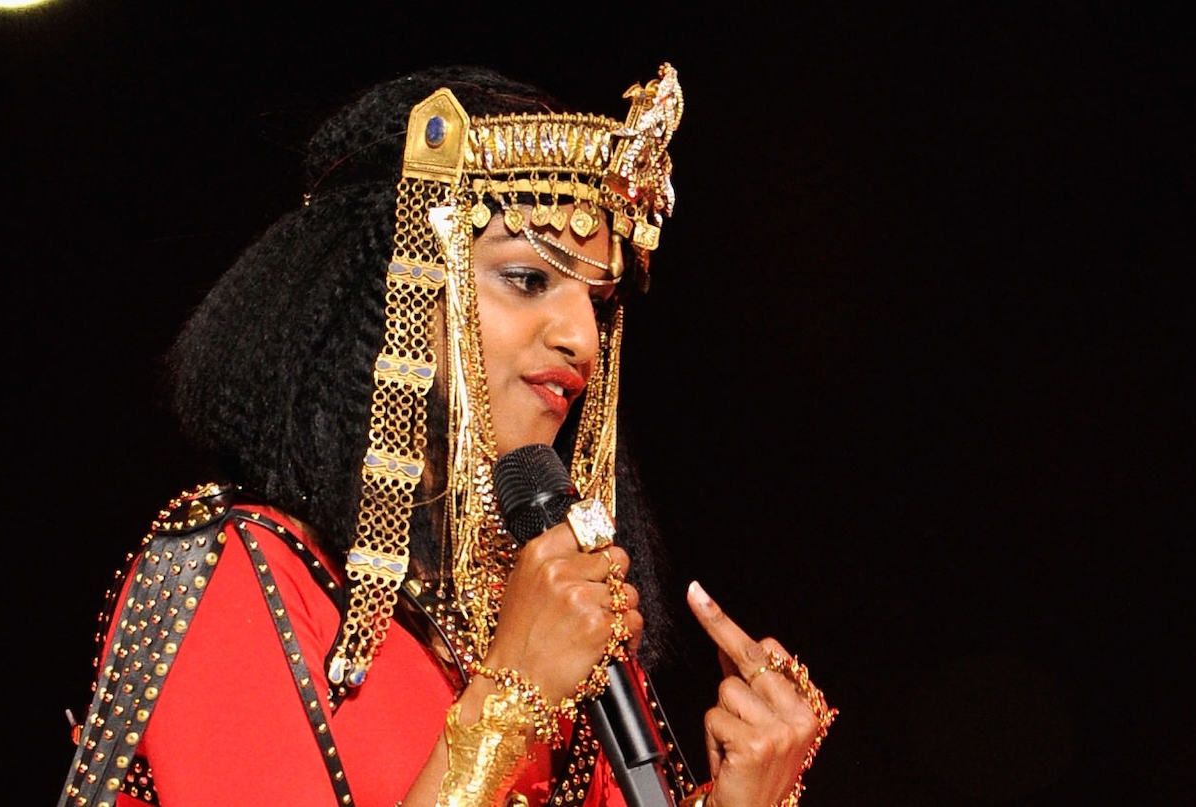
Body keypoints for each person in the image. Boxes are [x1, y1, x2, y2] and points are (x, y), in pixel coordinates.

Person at [57, 64, 835, 807]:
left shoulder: (553, 615)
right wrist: (508, 697)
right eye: (527, 279)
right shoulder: (232, 573)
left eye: (598, 304)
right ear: (397, 292)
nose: (582, 340)